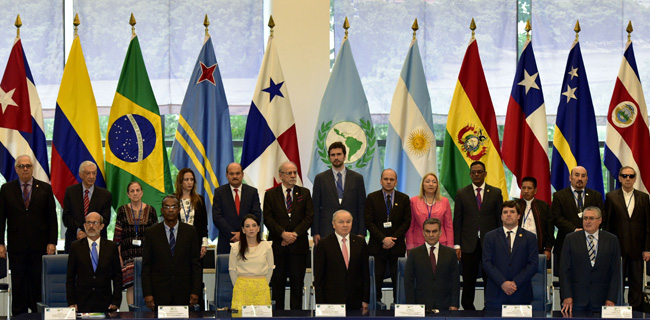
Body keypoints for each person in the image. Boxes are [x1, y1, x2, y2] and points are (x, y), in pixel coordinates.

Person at [0, 155, 57, 315]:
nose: (25, 169)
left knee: (37, 285)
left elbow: (52, 218)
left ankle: (37, 316)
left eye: (28, 166)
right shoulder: (6, 189)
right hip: (17, 247)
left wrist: (52, 242)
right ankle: (19, 316)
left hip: (40, 247)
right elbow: (1, 218)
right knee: (18, 285)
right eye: (21, 166)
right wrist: (0, 243)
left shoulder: (45, 188)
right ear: (16, 169)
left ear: (33, 168)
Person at [453, 160, 503, 310]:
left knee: (491, 278)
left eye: (479, 172)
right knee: (468, 280)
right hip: (468, 245)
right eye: (473, 172)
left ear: (485, 174)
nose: (476, 174)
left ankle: (491, 307)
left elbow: (499, 219)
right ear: (470, 174)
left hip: (490, 245)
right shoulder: (462, 193)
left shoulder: (495, 192)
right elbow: (458, 221)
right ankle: (468, 309)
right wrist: (457, 244)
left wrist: (500, 243)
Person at [263, 161, 313, 310]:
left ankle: (296, 316)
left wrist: (294, 235)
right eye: (289, 173)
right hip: (278, 248)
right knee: (277, 285)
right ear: (280, 175)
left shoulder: (304, 193)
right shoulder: (270, 194)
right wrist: (283, 234)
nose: (293, 176)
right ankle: (278, 315)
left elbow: (309, 217)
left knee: (297, 285)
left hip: (298, 248)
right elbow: (267, 218)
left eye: (295, 172)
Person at [142, 195, 201, 310]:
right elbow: (146, 266)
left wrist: (195, 291)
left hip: (184, 292)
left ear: (179, 210)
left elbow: (196, 265)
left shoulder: (190, 232)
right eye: (167, 207)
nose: (170, 210)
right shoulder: (151, 232)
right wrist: (148, 293)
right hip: (159, 293)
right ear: (162, 210)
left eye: (174, 207)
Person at [604, 166, 650, 311]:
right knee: (616, 281)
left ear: (635, 178)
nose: (628, 179)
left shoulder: (644, 197)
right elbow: (607, 225)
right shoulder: (611, 197)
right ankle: (616, 310)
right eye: (624, 176)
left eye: (631, 176)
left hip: (638, 248)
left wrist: (647, 249)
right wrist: (608, 248)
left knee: (636, 282)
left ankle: (635, 311)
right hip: (618, 248)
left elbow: (648, 225)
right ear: (619, 178)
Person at [560, 206, 621, 313]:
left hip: (602, 300)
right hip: (576, 300)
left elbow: (615, 272)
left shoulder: (612, 240)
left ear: (600, 220)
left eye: (591, 218)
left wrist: (611, 298)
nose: (587, 221)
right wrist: (567, 296)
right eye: (585, 218)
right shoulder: (571, 239)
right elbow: (564, 270)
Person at [364, 168, 411, 303]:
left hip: (397, 248)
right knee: (376, 281)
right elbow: (369, 221)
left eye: (391, 179)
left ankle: (399, 308)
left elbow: (406, 221)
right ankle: (376, 309)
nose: (388, 182)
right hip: (377, 248)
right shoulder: (372, 198)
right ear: (380, 181)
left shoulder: (404, 198)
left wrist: (392, 239)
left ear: (396, 181)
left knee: (399, 282)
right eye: (386, 179)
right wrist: (383, 239)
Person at [482, 201, 538, 311]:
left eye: (512, 212)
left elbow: (533, 264)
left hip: (521, 294)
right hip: (496, 294)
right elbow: (486, 263)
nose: (508, 214)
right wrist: (502, 282)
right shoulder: (490, 237)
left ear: (518, 216)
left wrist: (515, 283)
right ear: (501, 216)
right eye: (505, 212)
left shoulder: (530, 237)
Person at [312, 141, 366, 245]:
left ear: (345, 156)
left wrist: (362, 232)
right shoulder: (320, 178)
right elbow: (315, 207)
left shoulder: (357, 178)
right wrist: (315, 232)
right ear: (329, 157)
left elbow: (361, 207)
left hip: (352, 229)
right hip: (326, 230)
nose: (336, 157)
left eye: (339, 154)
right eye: (333, 155)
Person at [314, 210, 369, 310]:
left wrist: (365, 300)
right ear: (333, 224)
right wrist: (320, 304)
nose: (345, 225)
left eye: (348, 222)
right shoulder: (324, 244)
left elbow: (365, 274)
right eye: (341, 222)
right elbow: (319, 278)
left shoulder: (360, 243)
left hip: (355, 300)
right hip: (331, 302)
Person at [66, 212, 122, 312]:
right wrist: (71, 302)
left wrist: (116, 301)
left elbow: (117, 277)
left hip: (106, 304)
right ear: (84, 226)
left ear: (102, 226)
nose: (91, 226)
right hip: (81, 303)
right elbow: (70, 277)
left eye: (95, 223)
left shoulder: (111, 247)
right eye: (88, 223)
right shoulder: (75, 247)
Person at [114, 181, 158, 305]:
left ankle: (149, 315)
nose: (135, 193)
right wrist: (119, 256)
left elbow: (157, 237)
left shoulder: (151, 210)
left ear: (142, 192)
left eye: (138, 190)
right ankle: (131, 314)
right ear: (128, 194)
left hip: (147, 255)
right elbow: (117, 236)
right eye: (132, 191)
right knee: (130, 286)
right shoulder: (122, 210)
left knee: (148, 285)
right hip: (128, 256)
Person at [552, 166, 603, 272]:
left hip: (591, 244)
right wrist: (575, 230)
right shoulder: (559, 196)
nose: (580, 178)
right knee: (566, 279)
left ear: (587, 179)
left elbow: (602, 217)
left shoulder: (596, 196)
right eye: (577, 175)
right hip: (566, 243)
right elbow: (556, 218)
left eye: (583, 176)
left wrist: (588, 230)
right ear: (570, 177)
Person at [404, 218, 459, 311]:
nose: (431, 235)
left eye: (434, 231)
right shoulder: (414, 254)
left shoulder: (450, 253)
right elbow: (408, 282)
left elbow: (455, 281)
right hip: (421, 306)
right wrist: (411, 306)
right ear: (423, 233)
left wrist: (454, 304)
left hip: (445, 306)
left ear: (440, 233)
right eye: (428, 231)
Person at [62, 161, 112, 253]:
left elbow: (105, 219)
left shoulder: (105, 195)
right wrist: (79, 231)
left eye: (94, 173)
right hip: (74, 239)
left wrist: (89, 233)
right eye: (88, 173)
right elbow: (66, 217)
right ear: (81, 175)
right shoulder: (70, 192)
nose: (91, 176)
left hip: (97, 241)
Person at [213, 162, 262, 254]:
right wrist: (233, 234)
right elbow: (217, 217)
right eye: (231, 174)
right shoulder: (219, 192)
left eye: (238, 173)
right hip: (227, 241)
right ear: (227, 175)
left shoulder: (252, 192)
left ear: (242, 175)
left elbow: (256, 215)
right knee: (227, 267)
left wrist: (243, 233)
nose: (235, 176)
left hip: (249, 241)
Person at [229, 214, 274, 311]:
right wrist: (239, 286)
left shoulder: (267, 246)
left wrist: (263, 284)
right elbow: (232, 270)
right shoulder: (235, 247)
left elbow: (270, 268)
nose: (251, 229)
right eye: (247, 226)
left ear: (258, 228)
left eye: (254, 225)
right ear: (243, 230)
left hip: (261, 289)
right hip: (241, 289)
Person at [407, 172, 453, 250]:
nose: (431, 184)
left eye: (434, 182)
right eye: (427, 181)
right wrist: (410, 246)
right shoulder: (413, 201)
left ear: (437, 185)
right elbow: (410, 226)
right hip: (418, 244)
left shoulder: (445, 201)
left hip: (441, 243)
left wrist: (450, 247)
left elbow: (449, 226)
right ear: (423, 185)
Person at [514, 177, 554, 259]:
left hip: (537, 248)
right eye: (523, 188)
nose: (526, 191)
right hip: (516, 248)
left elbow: (549, 230)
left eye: (529, 188)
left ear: (535, 190)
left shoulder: (543, 206)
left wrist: (548, 249)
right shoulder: (514, 205)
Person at [174, 168, 208, 259]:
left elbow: (204, 224)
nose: (190, 182)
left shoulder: (199, 199)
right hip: (178, 243)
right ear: (180, 182)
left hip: (196, 242)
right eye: (186, 180)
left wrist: (204, 244)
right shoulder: (173, 200)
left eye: (192, 179)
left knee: (195, 270)